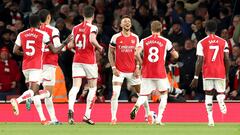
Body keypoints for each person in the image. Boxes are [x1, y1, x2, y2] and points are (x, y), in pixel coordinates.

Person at [9, 14, 66, 124]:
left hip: (25, 67)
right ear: (39, 23)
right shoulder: (43, 34)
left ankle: (43, 119)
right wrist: (65, 42)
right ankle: (18, 100)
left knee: (33, 92)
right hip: (37, 66)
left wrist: (25, 54)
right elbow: (55, 50)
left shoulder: (22, 34)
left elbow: (15, 51)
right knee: (37, 92)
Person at [26, 9, 72, 125]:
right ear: (49, 17)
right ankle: (30, 97)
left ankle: (51, 119)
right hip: (49, 64)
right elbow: (57, 47)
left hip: (36, 64)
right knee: (48, 93)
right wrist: (66, 45)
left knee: (37, 92)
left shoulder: (34, 31)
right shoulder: (53, 30)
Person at [130, 20, 179, 125]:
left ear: (151, 29)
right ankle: (159, 119)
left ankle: (136, 107)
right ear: (161, 30)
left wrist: (142, 62)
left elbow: (136, 53)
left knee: (143, 95)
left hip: (147, 72)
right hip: (160, 72)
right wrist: (175, 54)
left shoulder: (144, 41)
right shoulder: (166, 41)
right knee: (164, 94)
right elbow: (175, 55)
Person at [108, 15, 150, 125]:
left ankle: (147, 114)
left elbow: (137, 54)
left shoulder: (135, 37)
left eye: (129, 21)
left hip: (132, 71)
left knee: (142, 93)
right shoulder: (115, 37)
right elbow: (110, 53)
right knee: (115, 94)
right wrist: (113, 68)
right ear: (121, 25)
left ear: (130, 25)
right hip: (119, 71)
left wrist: (137, 68)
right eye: (125, 21)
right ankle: (113, 118)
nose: (127, 23)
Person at [67, 5, 103, 125]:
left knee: (75, 86)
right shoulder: (93, 27)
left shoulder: (75, 28)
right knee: (92, 87)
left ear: (83, 15)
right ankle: (87, 115)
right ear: (92, 16)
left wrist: (77, 50)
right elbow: (92, 40)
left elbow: (70, 45)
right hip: (89, 61)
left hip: (77, 60)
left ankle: (71, 110)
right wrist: (99, 47)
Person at [190, 20, 230, 126]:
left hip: (208, 72)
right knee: (220, 92)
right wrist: (226, 75)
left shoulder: (201, 42)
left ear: (206, 29)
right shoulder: (223, 42)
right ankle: (221, 99)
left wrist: (195, 77)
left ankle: (210, 119)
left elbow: (199, 60)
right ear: (216, 30)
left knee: (208, 94)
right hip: (220, 71)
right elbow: (227, 59)